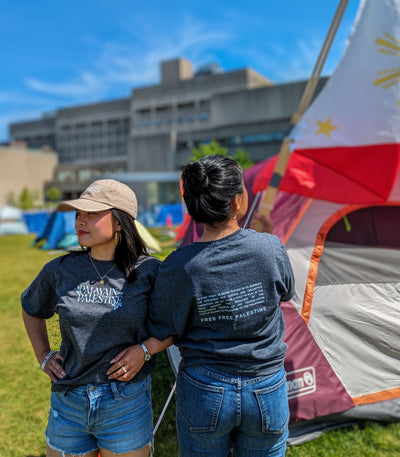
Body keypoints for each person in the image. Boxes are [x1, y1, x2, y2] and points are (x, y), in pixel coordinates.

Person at [148, 155, 295, 457]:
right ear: (238, 202)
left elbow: (165, 326)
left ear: (191, 208)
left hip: (205, 388)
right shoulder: (270, 248)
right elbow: (287, 291)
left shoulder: (180, 264)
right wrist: (266, 235)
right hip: (266, 385)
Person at [22, 179, 172, 457]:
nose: (80, 220)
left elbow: (176, 324)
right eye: (79, 213)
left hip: (126, 403)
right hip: (69, 403)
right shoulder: (59, 269)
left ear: (119, 222)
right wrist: (43, 355)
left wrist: (145, 350)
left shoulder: (151, 271)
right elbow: (30, 308)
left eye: (92, 213)